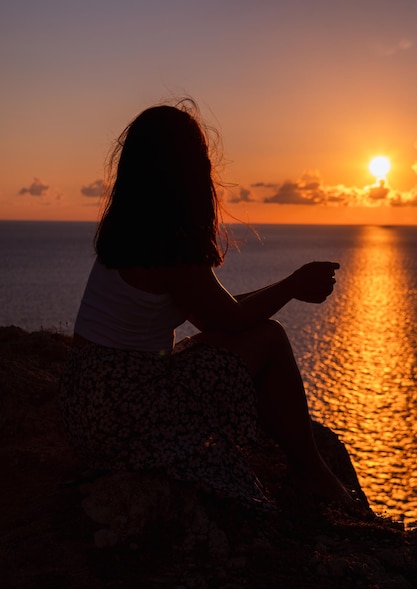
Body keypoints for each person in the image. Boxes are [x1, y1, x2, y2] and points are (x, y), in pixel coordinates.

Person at [60, 99, 355, 512]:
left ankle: (310, 471)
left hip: (89, 404)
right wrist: (293, 285)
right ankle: (313, 474)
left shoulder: (130, 230)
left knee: (253, 335)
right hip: (126, 412)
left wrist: (286, 288)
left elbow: (215, 315)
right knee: (270, 337)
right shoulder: (171, 244)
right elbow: (232, 318)